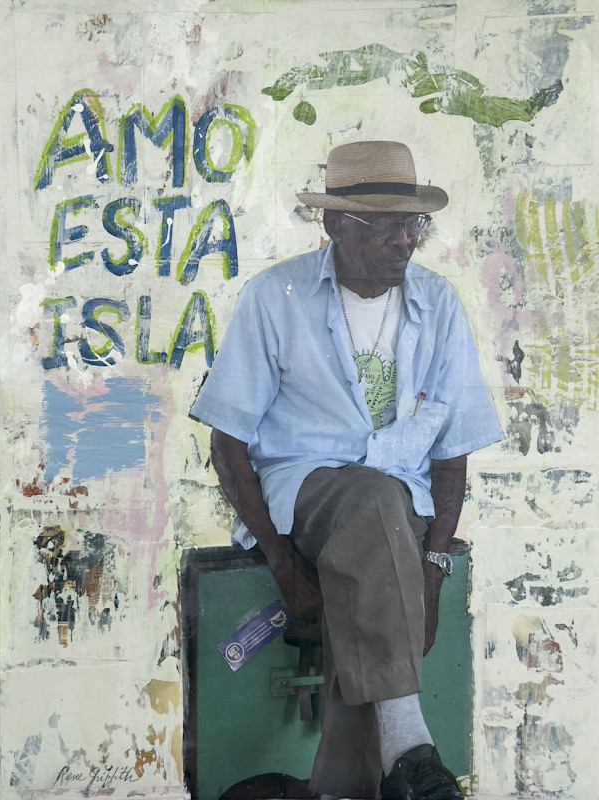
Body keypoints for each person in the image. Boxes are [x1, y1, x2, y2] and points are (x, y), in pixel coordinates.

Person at [190, 141, 502, 800]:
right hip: (304, 493)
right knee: (369, 498)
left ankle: (338, 788)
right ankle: (411, 746)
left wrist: (435, 567)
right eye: (385, 223)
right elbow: (228, 443)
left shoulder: (438, 305)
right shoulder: (275, 298)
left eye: (413, 223)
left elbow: (451, 453)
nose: (404, 240)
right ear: (333, 225)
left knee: (376, 539)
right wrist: (279, 563)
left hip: (401, 511)